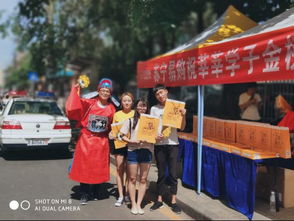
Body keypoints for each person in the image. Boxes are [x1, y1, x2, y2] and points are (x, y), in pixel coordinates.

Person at [66, 78, 116, 205]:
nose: (105, 93)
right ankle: (84, 192)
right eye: (103, 90)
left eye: (107, 91)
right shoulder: (90, 103)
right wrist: (76, 90)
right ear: (98, 91)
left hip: (101, 141)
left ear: (110, 93)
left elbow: (113, 125)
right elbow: (76, 105)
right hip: (86, 140)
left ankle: (95, 191)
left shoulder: (111, 108)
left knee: (98, 167)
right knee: (85, 167)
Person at [149, 84, 186, 214]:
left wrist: (183, 115)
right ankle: (159, 200)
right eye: (157, 94)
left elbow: (182, 127)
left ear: (166, 92)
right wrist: (155, 135)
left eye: (161, 92)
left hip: (173, 143)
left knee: (173, 174)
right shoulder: (154, 109)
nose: (160, 95)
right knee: (161, 173)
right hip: (159, 145)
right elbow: (151, 127)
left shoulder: (176, 107)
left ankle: (173, 201)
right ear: (156, 96)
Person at [120, 98, 153, 215]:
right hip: (132, 151)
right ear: (136, 107)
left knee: (143, 179)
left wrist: (157, 136)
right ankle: (133, 204)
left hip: (146, 151)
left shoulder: (152, 121)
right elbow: (121, 135)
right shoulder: (129, 121)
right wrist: (130, 141)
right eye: (140, 106)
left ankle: (139, 204)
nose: (142, 108)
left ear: (147, 108)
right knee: (133, 179)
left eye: (144, 106)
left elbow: (156, 136)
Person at [109, 92, 135, 207]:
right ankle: (120, 196)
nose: (127, 102)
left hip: (132, 146)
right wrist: (111, 134)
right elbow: (114, 131)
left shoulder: (136, 113)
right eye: (124, 100)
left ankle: (127, 194)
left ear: (132, 102)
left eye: (129, 100)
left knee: (130, 173)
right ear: (121, 102)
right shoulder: (117, 114)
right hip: (119, 145)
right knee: (120, 171)